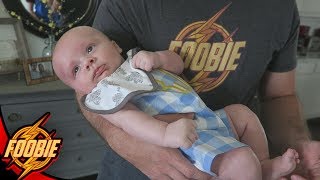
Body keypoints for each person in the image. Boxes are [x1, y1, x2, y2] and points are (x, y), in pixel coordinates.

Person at [75, 0, 320, 179]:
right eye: (76, 67)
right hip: (145, 164)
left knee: (243, 134)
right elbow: (89, 92)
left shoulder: (281, 7)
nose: (87, 61)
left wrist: (298, 142)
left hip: (225, 134)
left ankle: (263, 167)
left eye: (88, 54)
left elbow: (280, 95)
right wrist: (142, 144)